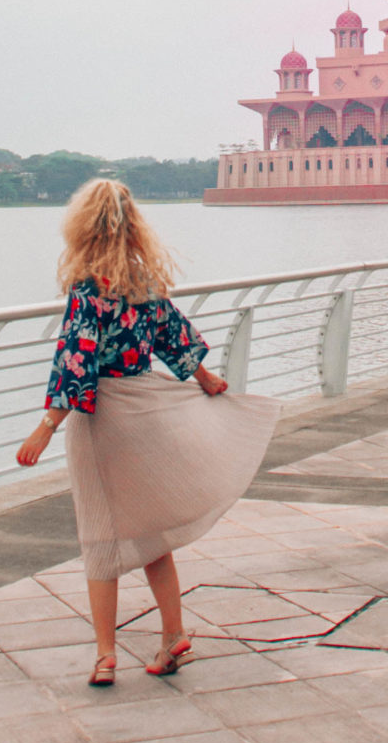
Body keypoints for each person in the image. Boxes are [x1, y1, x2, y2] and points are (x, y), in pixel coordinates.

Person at [17, 178, 278, 684]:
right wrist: (206, 378)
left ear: (82, 226)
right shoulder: (144, 282)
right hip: (147, 408)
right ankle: (172, 635)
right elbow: (174, 335)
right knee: (153, 533)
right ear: (133, 224)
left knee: (100, 536)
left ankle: (105, 654)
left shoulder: (89, 289)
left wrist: (46, 427)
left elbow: (78, 360)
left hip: (104, 418)